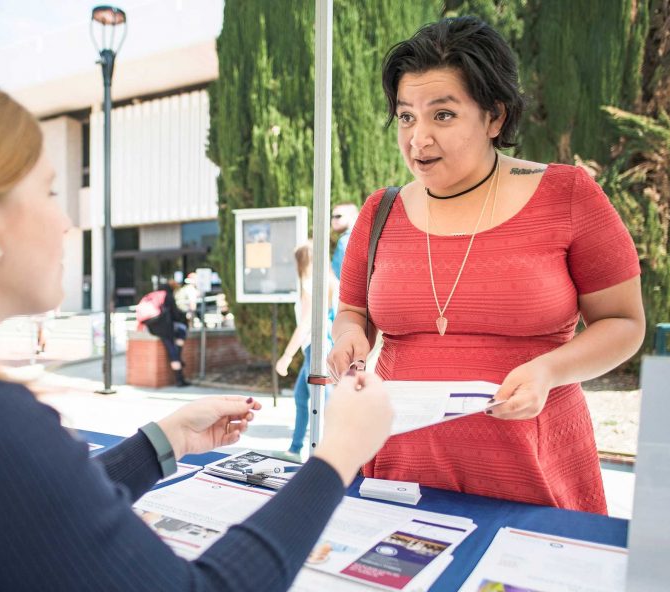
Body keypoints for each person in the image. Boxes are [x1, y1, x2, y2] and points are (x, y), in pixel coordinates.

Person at [0, 66, 397, 592]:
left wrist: (159, 443)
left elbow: (17, 510)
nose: (66, 221)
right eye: (50, 192)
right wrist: (336, 457)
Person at [328, 17, 645, 514]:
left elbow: (624, 323)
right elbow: (353, 313)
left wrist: (549, 370)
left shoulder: (567, 195)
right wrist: (348, 336)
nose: (418, 138)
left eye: (443, 116)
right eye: (406, 116)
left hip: (533, 471)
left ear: (495, 117)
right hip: (399, 470)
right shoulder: (380, 211)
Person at [275, 241, 333, 460]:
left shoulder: (309, 286)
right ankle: (295, 448)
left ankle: (324, 452)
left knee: (323, 401)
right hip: (320, 347)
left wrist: (286, 356)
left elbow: (306, 323)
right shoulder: (326, 282)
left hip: (315, 348)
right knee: (302, 396)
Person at [144, 279, 191, 386]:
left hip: (152, 327)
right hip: (165, 327)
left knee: (172, 348)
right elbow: (175, 314)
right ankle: (179, 378)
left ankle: (178, 361)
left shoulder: (152, 295)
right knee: (178, 340)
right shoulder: (167, 296)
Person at [329, 203, 359, 281]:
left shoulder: (345, 241)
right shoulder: (360, 237)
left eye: (338, 216)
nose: (333, 220)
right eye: (332, 217)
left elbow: (348, 274)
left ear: (353, 216)